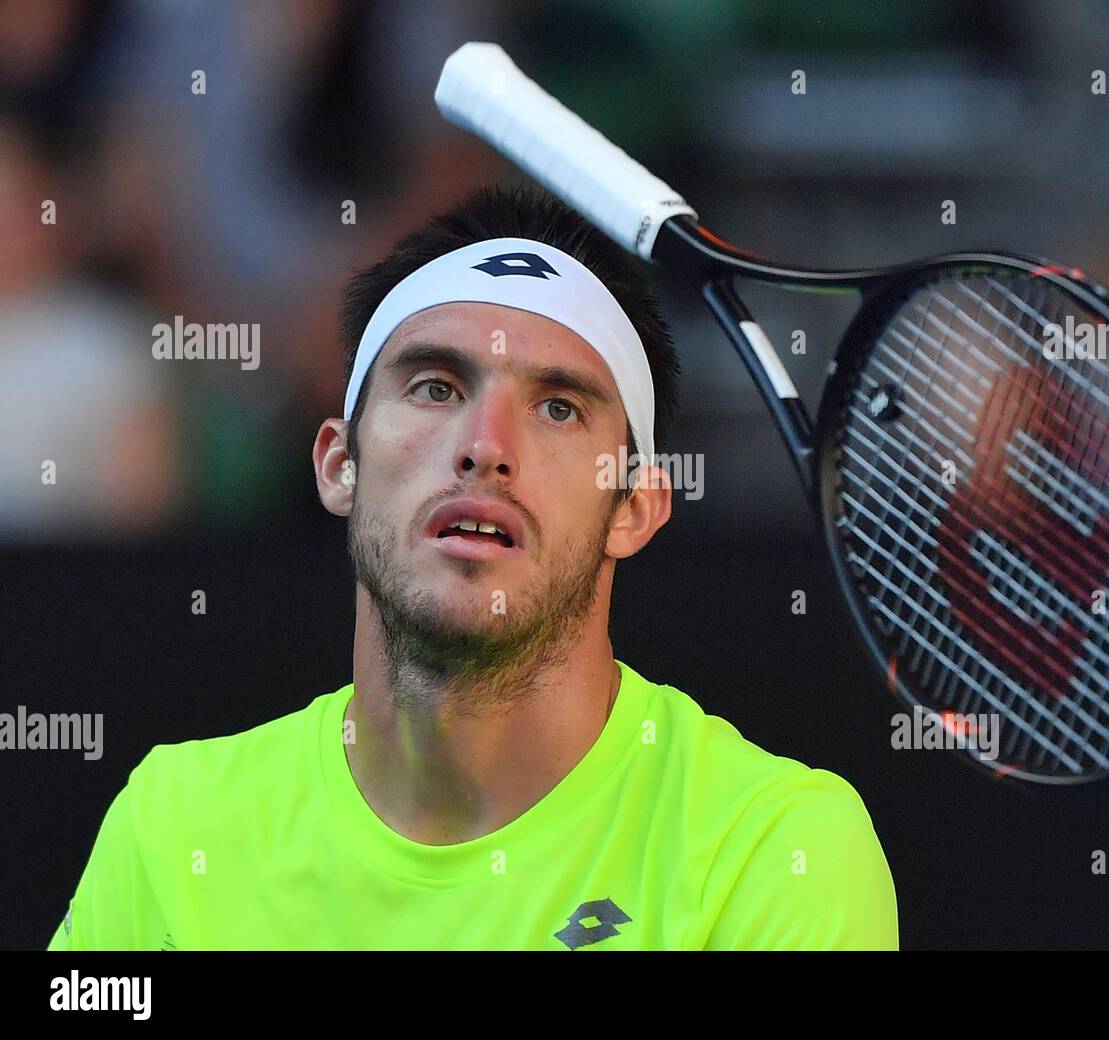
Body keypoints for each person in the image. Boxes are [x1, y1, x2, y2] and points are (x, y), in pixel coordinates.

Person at [47, 184, 897, 950]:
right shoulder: (172, 827)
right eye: (436, 388)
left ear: (634, 507)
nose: (486, 447)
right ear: (339, 464)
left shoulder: (775, 851)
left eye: (557, 408)